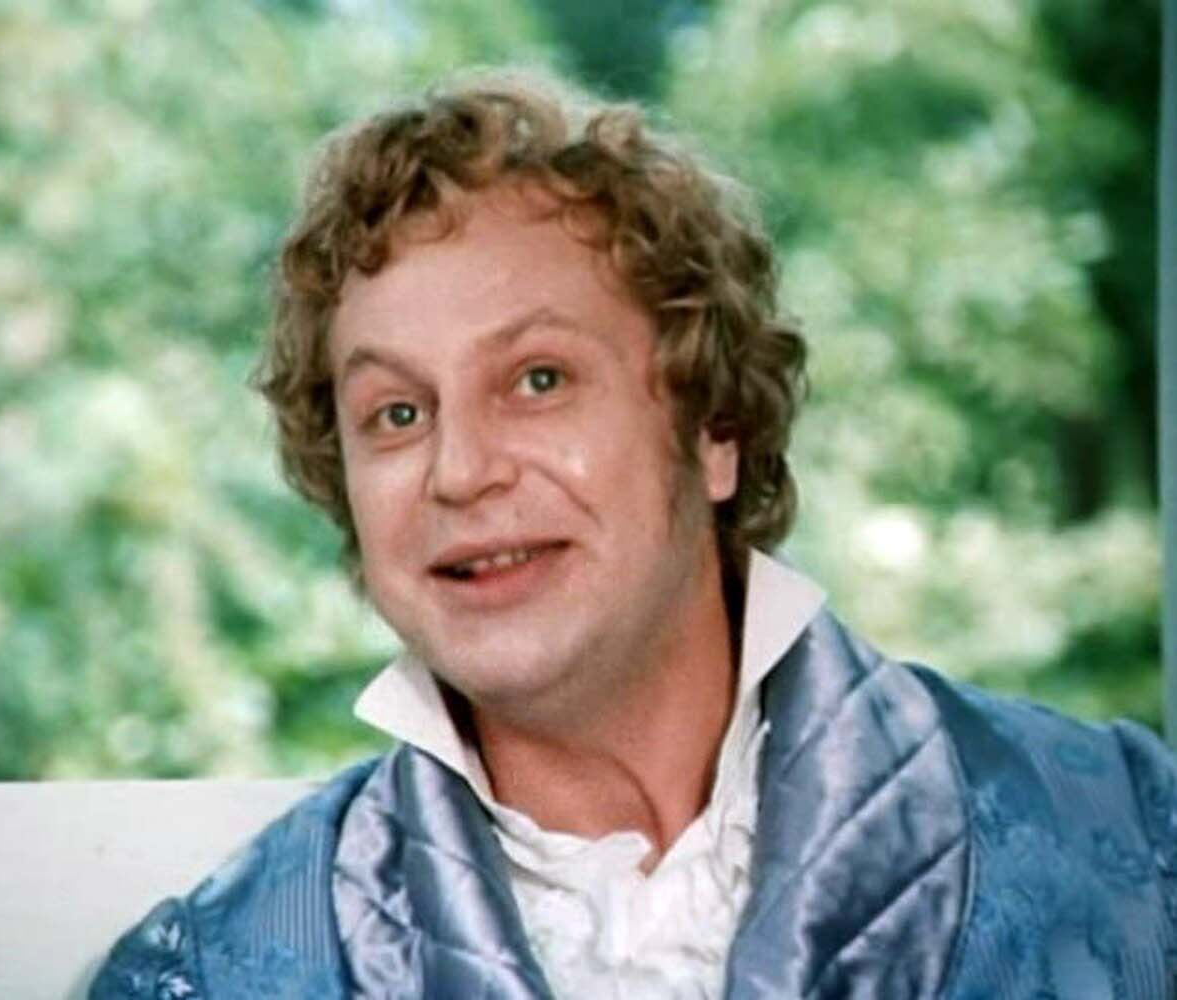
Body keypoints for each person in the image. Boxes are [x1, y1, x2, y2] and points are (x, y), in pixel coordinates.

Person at [91, 71, 1177, 998]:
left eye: (539, 379)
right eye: (398, 413)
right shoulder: (216, 972)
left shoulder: (1136, 844)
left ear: (714, 429)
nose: (459, 471)